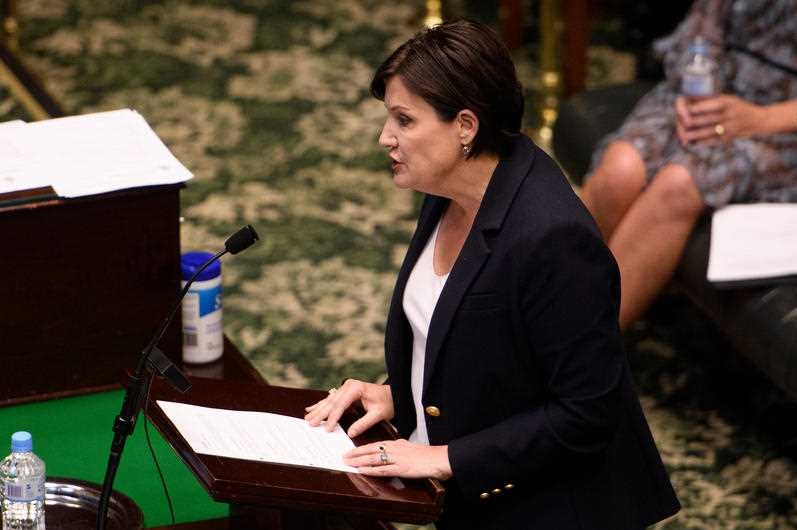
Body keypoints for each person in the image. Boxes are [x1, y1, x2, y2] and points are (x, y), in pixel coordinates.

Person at [304, 19, 679, 529]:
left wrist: (443, 457)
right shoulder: (450, 187)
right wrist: (401, 393)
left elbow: (587, 413)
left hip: (553, 509)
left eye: (404, 121)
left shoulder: (553, 239)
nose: (384, 138)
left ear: (465, 125)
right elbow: (487, 346)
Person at [580, 0, 797, 329]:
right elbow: (702, 29)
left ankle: (576, 357)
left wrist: (760, 118)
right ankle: (537, 312)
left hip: (783, 123)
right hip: (712, 91)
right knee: (619, 171)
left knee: (679, 182)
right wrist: (695, 86)